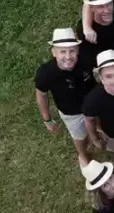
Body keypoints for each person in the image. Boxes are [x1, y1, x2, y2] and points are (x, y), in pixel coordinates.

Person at [34, 28, 96, 164]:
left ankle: (95, 139)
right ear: (54, 53)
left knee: (98, 127)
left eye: (72, 50)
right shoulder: (45, 73)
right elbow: (41, 95)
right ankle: (84, 156)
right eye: (62, 51)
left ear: (78, 51)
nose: (68, 56)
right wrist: (47, 120)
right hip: (71, 113)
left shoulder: (87, 60)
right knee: (79, 137)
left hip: (93, 104)